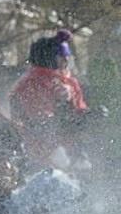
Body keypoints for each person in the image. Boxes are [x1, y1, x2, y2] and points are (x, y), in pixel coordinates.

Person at [9, 30, 94, 171]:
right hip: (43, 150)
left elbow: (78, 108)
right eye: (62, 57)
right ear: (49, 58)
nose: (66, 61)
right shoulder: (33, 83)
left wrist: (88, 116)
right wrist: (68, 120)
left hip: (71, 147)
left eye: (67, 56)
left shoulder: (69, 82)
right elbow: (38, 120)